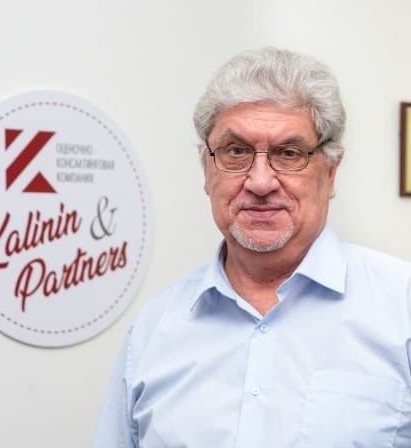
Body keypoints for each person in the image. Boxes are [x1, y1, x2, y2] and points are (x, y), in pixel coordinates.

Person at [93, 47, 411, 447]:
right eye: (236, 152)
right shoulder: (154, 328)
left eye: (289, 154)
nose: (260, 182)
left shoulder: (401, 308)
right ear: (206, 170)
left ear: (331, 172)